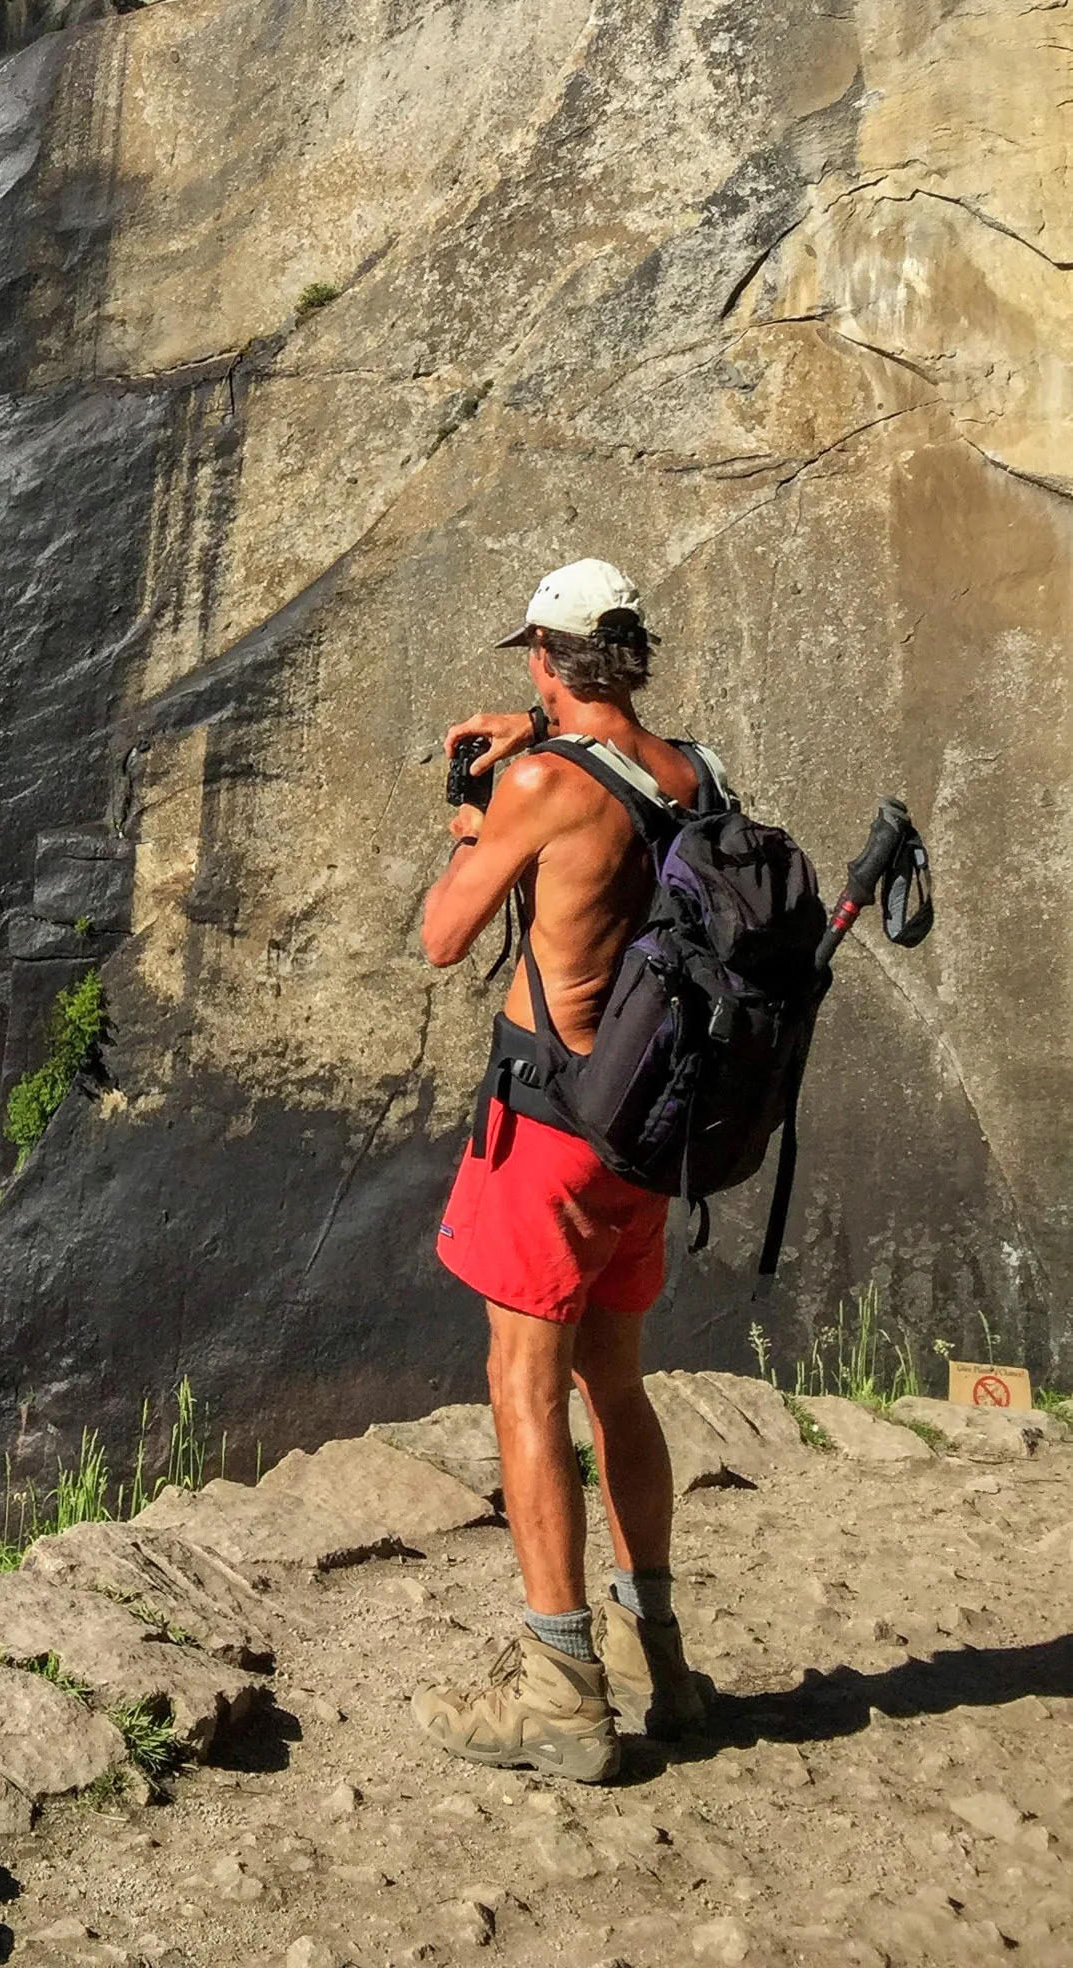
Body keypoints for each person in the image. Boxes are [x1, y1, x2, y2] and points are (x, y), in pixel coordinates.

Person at [409, 558, 719, 1785]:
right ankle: (660, 1659)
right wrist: (540, 734)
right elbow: (618, 766)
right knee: (617, 1387)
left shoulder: (538, 789)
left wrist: (480, 816)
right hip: (646, 1131)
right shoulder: (692, 773)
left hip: (545, 1135)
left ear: (545, 657)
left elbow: (442, 939)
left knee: (523, 1390)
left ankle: (558, 1690)